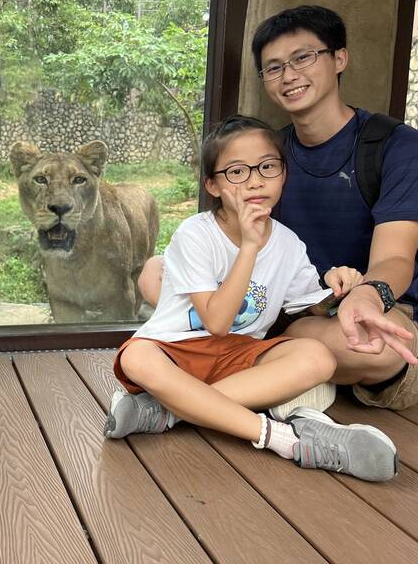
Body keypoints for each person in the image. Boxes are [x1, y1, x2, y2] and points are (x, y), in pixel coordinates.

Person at [106, 115, 398, 483]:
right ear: (212, 185)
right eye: (236, 172)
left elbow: (310, 305)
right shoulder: (195, 234)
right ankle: (287, 440)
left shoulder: (288, 243)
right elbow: (215, 322)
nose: (255, 180)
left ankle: (169, 411)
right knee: (136, 356)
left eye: (267, 166)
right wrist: (248, 245)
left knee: (318, 357)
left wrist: (340, 289)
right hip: (175, 351)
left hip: (237, 354)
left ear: (283, 175)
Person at [249, 5, 418, 410]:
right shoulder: (268, 156)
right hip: (294, 310)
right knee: (160, 274)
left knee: (382, 345)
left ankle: (263, 370)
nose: (289, 75)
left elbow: (395, 255)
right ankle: (294, 375)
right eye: (273, 67)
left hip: (379, 306)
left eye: (303, 57)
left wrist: (368, 296)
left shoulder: (396, 146)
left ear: (339, 58)